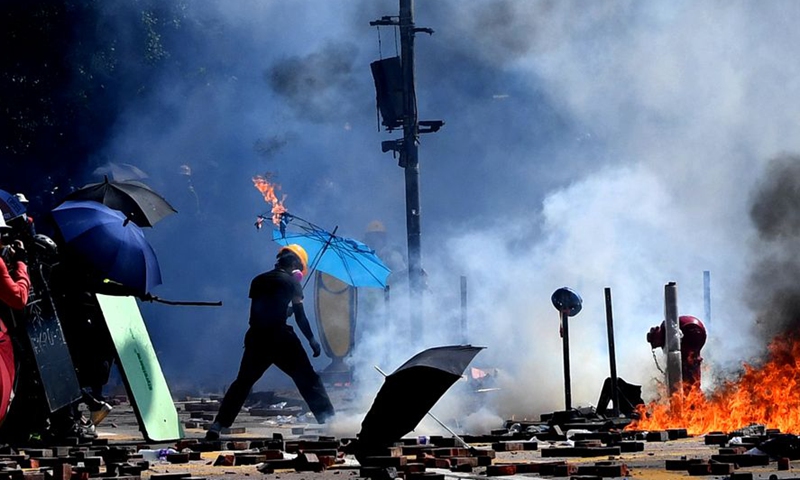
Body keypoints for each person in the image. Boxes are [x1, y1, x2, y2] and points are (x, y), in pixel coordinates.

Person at [206, 244, 335, 440]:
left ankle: (218, 424)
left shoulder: (258, 280)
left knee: (243, 383)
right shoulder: (293, 283)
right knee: (309, 379)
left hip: (257, 337)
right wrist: (312, 340)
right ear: (293, 263)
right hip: (281, 339)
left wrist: (283, 310)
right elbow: (300, 317)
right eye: (298, 267)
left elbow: (263, 309)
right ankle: (330, 421)